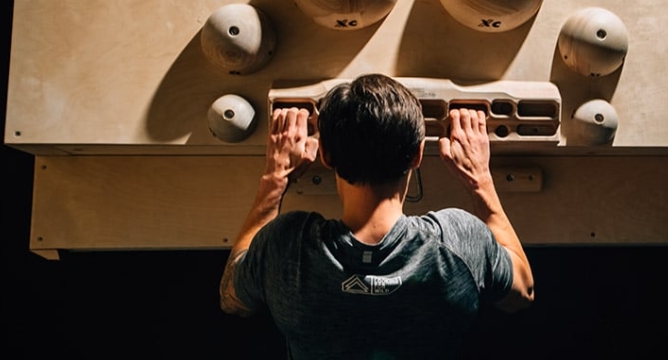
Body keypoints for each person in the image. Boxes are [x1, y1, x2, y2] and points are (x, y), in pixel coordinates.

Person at [219, 73, 534, 359]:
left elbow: (232, 298)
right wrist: (480, 180)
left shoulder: (287, 246)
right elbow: (522, 293)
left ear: (325, 156)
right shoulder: (458, 241)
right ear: (417, 155)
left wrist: (275, 180)